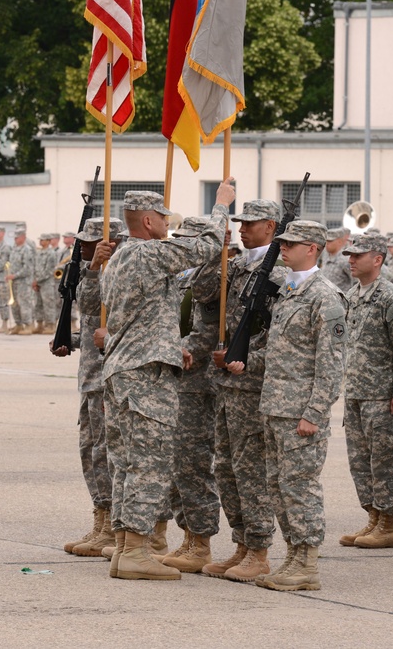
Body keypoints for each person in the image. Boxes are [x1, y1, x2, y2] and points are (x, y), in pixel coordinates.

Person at [95, 183, 231, 581]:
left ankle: (125, 547)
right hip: (145, 376)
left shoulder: (119, 258)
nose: (168, 225)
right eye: (165, 219)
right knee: (148, 464)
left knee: (125, 464)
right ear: (149, 221)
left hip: (124, 370)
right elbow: (204, 249)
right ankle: (137, 550)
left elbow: (145, 314)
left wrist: (173, 345)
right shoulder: (147, 252)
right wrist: (220, 207)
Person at [227, 219, 345, 592]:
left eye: (291, 244)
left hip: (299, 414)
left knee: (300, 487)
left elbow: (331, 363)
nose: (284, 249)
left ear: (311, 248)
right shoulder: (290, 292)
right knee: (278, 486)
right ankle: (293, 554)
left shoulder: (325, 296)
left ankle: (307, 562)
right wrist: (244, 359)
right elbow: (280, 351)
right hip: (274, 407)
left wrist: (314, 413)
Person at [204, 198, 286, 582]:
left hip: (252, 385)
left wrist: (246, 357)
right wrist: (214, 248)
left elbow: (281, 336)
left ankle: (259, 548)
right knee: (226, 468)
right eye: (240, 222)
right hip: (225, 384)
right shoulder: (236, 264)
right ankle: (241, 543)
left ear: (271, 227)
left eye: (250, 223)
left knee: (251, 469)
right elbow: (204, 294)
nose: (242, 228)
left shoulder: (282, 272)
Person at [154, 217, 224, 573]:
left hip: (198, 382)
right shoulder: (186, 275)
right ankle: (186, 536)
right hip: (177, 378)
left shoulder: (215, 276)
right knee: (176, 463)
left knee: (194, 464)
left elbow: (205, 334)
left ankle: (201, 540)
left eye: (188, 240)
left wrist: (169, 351)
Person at [53, 217, 125, 557]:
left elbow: (99, 307)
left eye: (88, 243)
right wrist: (69, 340)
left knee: (105, 452)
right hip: (90, 376)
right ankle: (101, 517)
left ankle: (112, 525)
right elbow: (89, 318)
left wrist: (96, 269)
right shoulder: (90, 268)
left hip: (109, 377)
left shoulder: (116, 271)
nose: (80, 248)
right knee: (90, 449)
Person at [338, 233, 393, 550]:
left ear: (377, 259)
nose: (351, 260)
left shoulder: (391, 298)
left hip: (381, 394)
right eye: (350, 255)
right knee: (359, 461)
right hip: (355, 391)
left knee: (381, 461)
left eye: (358, 255)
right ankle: (373, 518)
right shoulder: (353, 295)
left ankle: (388, 523)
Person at [7, 224, 36, 334]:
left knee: (24, 304)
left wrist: (14, 275)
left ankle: (28, 325)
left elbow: (27, 269)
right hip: (14, 282)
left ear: (23, 237)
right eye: (14, 237)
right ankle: (18, 324)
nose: (15, 239)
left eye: (17, 237)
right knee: (15, 304)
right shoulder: (14, 249)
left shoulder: (26, 250)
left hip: (23, 283)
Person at [33, 233, 62, 335]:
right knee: (38, 304)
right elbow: (35, 267)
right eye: (40, 240)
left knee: (48, 305)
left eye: (43, 240)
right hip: (38, 283)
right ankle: (40, 324)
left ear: (48, 241)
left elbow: (49, 270)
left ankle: (50, 325)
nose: (41, 242)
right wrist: (35, 280)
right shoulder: (39, 253)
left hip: (47, 283)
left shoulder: (51, 253)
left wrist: (38, 280)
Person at [320, 227, 354, 291]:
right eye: (326, 241)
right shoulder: (326, 258)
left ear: (339, 242)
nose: (327, 244)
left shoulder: (345, 260)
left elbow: (356, 282)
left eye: (330, 241)